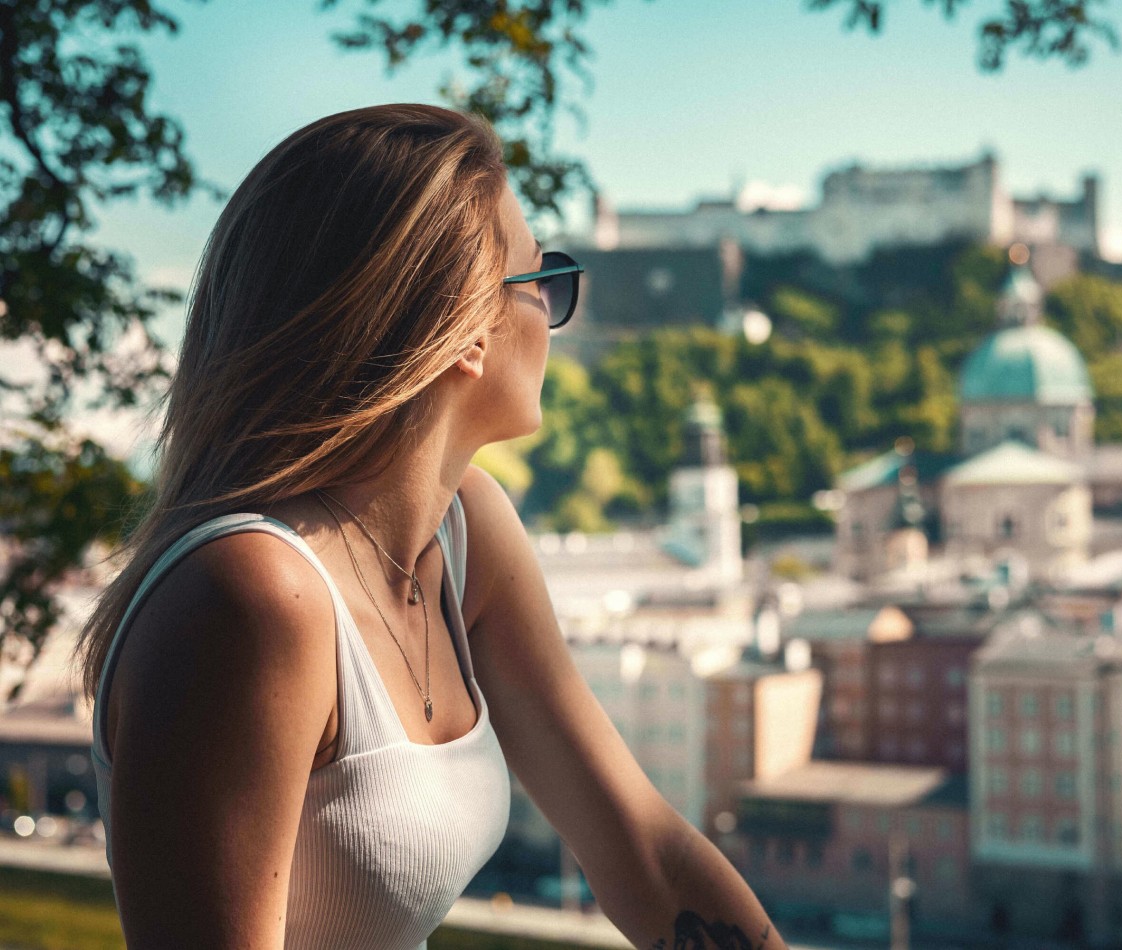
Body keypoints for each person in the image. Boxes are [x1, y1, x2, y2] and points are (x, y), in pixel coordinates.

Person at [77, 103, 787, 950]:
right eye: (543, 283)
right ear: (465, 332)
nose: (556, 322)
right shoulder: (255, 598)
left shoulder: (466, 533)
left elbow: (643, 850)